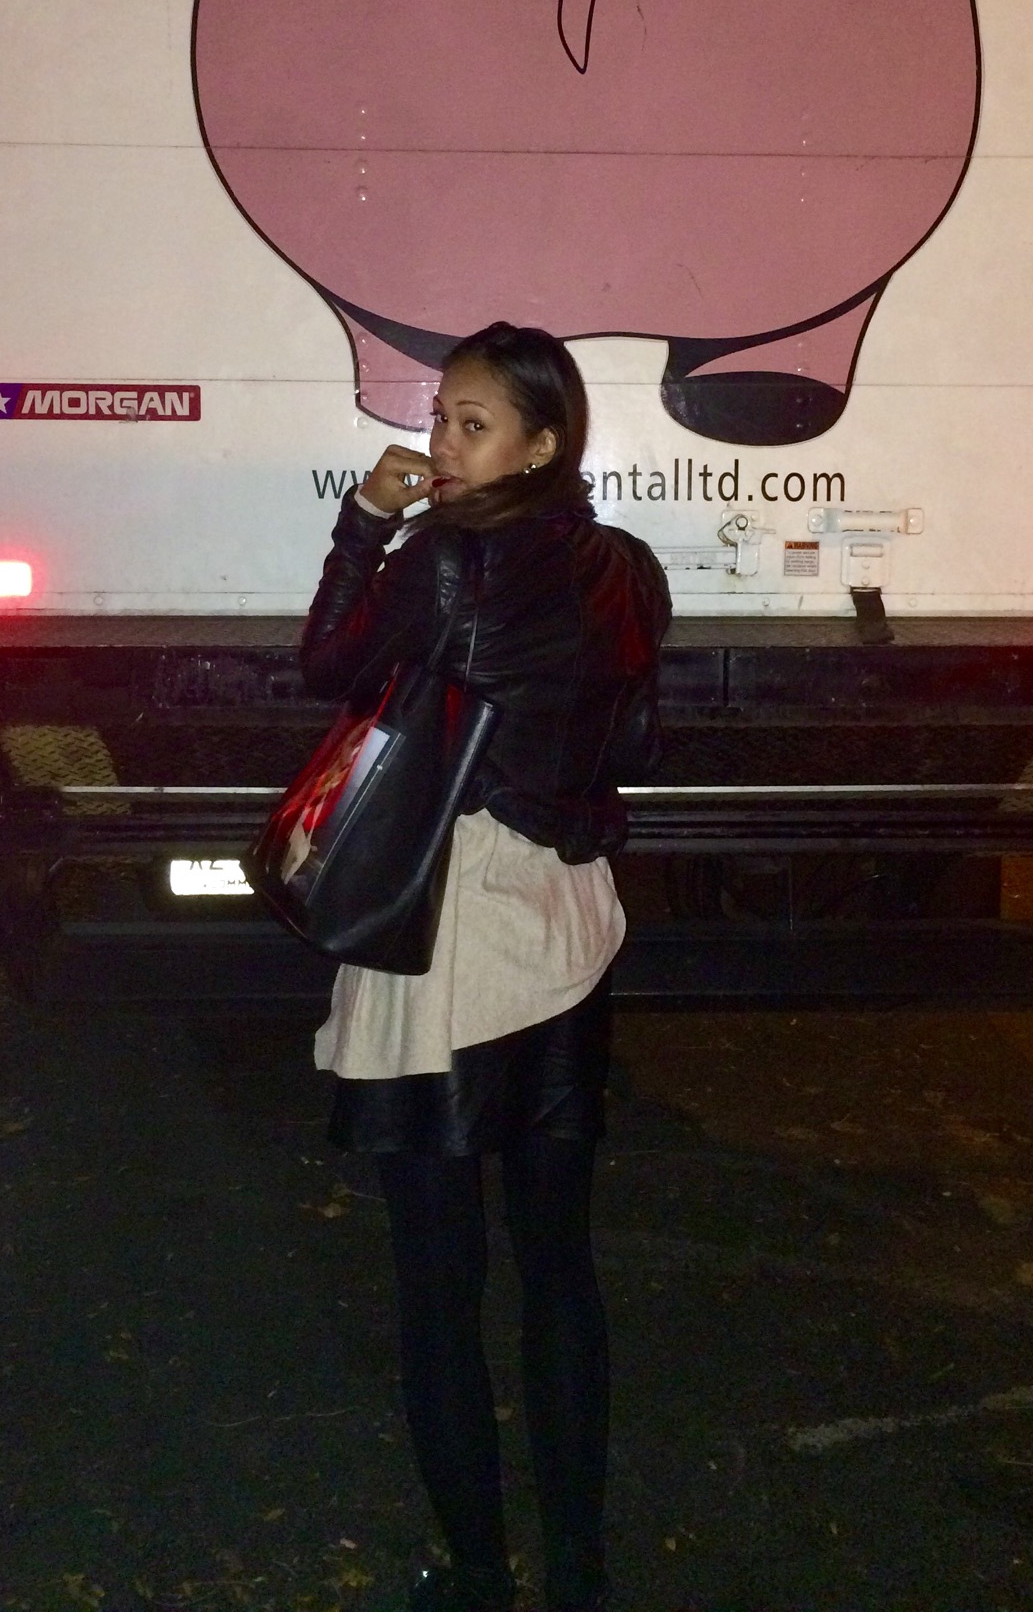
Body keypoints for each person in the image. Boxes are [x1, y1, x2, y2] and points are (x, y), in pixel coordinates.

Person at [300, 323, 671, 1612]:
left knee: (440, 1283)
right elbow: (632, 737)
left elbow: (325, 665)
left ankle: (475, 1573)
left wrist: (365, 521)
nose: (441, 444)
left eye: (471, 424)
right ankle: (579, 1567)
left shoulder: (443, 560)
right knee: (559, 1266)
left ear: (540, 444)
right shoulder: (627, 568)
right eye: (439, 417)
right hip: (564, 926)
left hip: (446, 935)